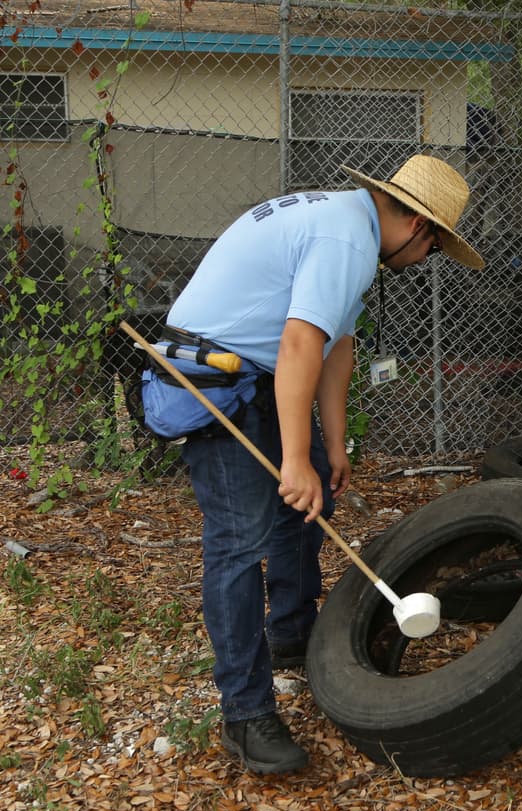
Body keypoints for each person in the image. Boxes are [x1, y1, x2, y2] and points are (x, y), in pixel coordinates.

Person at [150, 155, 484, 774]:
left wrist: (330, 449)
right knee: (238, 543)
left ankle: (290, 636)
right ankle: (245, 716)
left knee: (309, 504)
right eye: (434, 252)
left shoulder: (350, 230)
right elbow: (299, 342)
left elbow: (336, 349)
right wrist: (293, 458)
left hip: (259, 376)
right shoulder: (345, 240)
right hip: (215, 382)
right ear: (419, 227)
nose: (423, 265)